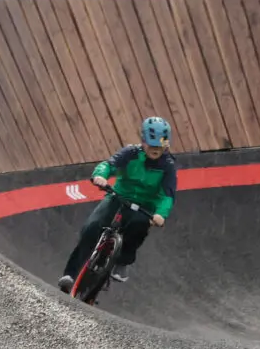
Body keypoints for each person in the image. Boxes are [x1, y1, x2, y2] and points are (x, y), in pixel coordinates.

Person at [58, 116, 177, 293]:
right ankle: (70, 274)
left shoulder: (168, 165)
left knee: (139, 226)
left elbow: (167, 194)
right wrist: (101, 175)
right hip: (119, 196)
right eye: (152, 145)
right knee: (92, 228)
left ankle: (122, 262)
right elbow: (109, 164)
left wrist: (161, 214)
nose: (155, 149)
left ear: (165, 145)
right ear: (143, 141)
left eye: (159, 146)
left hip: (144, 206)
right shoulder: (130, 153)